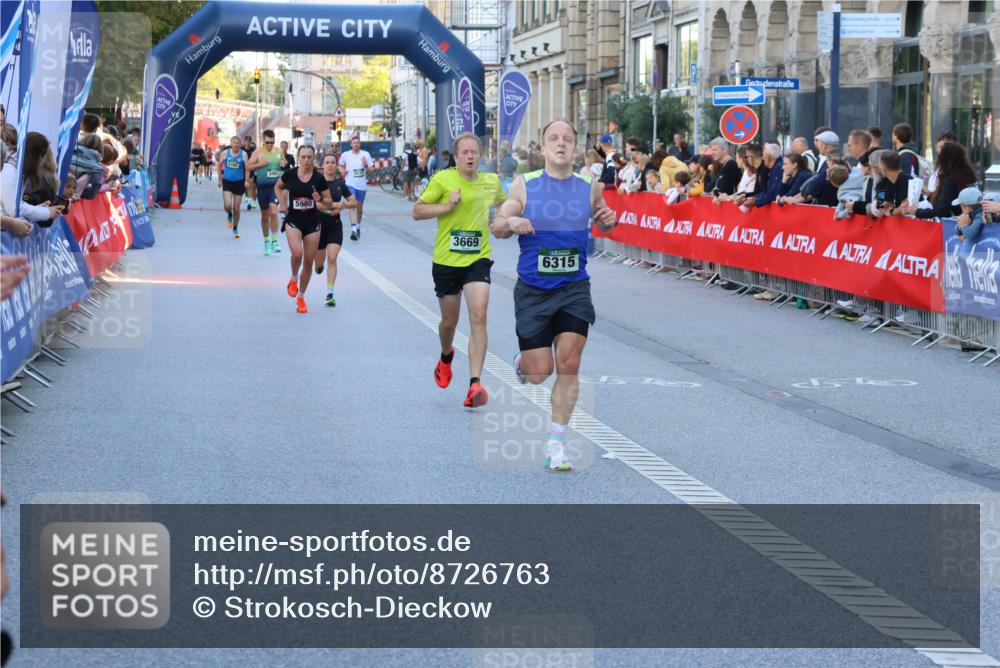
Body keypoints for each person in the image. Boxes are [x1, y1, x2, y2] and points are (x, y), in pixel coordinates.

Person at [492, 119, 617, 472]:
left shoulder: (589, 186)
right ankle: (523, 364)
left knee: (570, 362)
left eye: (567, 139)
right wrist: (511, 222)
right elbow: (498, 225)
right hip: (533, 292)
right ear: (543, 147)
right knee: (539, 373)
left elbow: (605, 222)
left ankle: (556, 444)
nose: (560, 144)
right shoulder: (525, 185)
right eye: (553, 139)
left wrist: (608, 220)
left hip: (574, 288)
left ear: (575, 147)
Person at [412, 132, 505, 408]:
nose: (470, 156)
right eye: (464, 152)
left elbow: (504, 206)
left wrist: (503, 222)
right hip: (446, 260)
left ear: (480, 155)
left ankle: (475, 383)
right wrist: (446, 206)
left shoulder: (492, 182)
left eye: (474, 152)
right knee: (449, 322)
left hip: (478, 259)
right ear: (455, 157)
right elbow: (417, 211)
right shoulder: (442, 180)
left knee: (479, 315)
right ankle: (446, 354)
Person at [275, 145, 332, 314]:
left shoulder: (318, 179)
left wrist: (320, 198)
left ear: (313, 159)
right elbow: (277, 187)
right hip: (293, 220)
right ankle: (293, 278)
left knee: (308, 262)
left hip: (312, 222)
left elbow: (328, 202)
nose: (306, 160)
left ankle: (301, 297)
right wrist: (282, 203)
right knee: (297, 254)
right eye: (303, 157)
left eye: (309, 157)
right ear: (298, 158)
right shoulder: (290, 174)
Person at [314, 153, 357, 307]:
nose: (331, 165)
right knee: (319, 264)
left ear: (336, 165)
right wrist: (331, 206)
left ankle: (330, 293)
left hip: (335, 225)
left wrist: (342, 206)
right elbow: (312, 204)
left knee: (332, 257)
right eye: (327, 162)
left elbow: (354, 202)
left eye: (333, 162)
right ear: (323, 165)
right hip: (318, 227)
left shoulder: (340, 184)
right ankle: (318, 266)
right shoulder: (317, 183)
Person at [899, 142, 977, 220]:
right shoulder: (966, 174)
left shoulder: (950, 178)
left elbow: (942, 210)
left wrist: (917, 211)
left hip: (953, 224)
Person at [245, 129, 287, 255]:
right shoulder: (258, 152)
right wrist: (260, 163)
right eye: (268, 142)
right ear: (263, 141)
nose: (270, 145)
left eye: (272, 142)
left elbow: (284, 163)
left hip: (275, 187)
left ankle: (275, 241)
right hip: (262, 187)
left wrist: (283, 163)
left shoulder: (279, 151)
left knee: (274, 212)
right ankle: (266, 242)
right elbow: (247, 166)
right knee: (264, 217)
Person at [338, 136, 373, 241]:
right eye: (354, 143)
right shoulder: (346, 154)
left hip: (361, 186)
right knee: (352, 204)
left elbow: (372, 169)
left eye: (358, 143)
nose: (356, 144)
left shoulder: (365, 154)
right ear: (351, 144)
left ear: (360, 144)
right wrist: (342, 172)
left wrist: (366, 165)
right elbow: (340, 165)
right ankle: (353, 229)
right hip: (349, 184)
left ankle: (357, 226)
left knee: (359, 208)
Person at [218, 135, 246, 237]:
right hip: (227, 182)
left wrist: (246, 180)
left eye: (238, 143)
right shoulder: (225, 153)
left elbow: (247, 168)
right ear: (231, 143)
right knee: (228, 205)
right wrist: (219, 178)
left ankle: (235, 229)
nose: (236, 144)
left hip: (239, 182)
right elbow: (219, 164)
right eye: (234, 142)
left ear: (240, 144)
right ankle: (229, 215)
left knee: (236, 209)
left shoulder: (244, 155)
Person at [871, 150, 911, 217]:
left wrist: (892, 211)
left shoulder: (906, 180)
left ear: (883, 167)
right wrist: (887, 205)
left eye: (879, 165)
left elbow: (906, 206)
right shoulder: (881, 184)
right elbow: (879, 204)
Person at [243, 135, 258, 211]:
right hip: (242, 170)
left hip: (251, 170)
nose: (248, 143)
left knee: (250, 186)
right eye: (246, 141)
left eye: (249, 141)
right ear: (244, 142)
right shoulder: (241, 150)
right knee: (245, 187)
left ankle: (250, 202)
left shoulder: (253, 150)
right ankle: (247, 198)